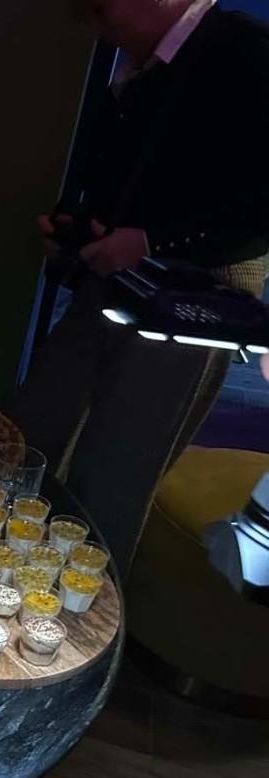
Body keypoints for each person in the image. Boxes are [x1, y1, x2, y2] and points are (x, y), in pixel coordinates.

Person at [14, 0, 269, 579]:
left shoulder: (247, 53)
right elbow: (132, 170)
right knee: (32, 435)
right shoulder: (148, 62)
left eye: (104, 15)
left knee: (112, 482)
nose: (102, 32)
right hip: (113, 286)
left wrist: (153, 238)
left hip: (194, 307)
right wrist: (77, 227)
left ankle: (79, 636)